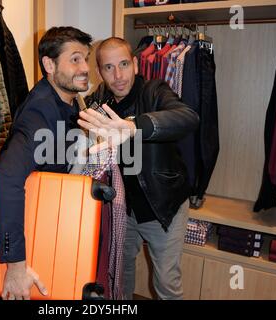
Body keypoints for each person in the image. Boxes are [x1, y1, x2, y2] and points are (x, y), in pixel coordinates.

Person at [79, 37, 199, 300]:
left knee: (167, 283)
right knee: (120, 276)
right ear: (100, 72)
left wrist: (133, 127)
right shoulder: (99, 100)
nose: (118, 75)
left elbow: (188, 117)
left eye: (123, 64)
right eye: (109, 68)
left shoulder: (155, 92)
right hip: (124, 208)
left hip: (162, 205)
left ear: (135, 64)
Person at [0, 26, 92, 300]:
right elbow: (7, 178)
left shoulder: (71, 101)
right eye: (75, 59)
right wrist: (15, 266)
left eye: (85, 58)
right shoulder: (40, 110)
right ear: (49, 64)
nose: (85, 67)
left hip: (47, 224)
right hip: (28, 235)